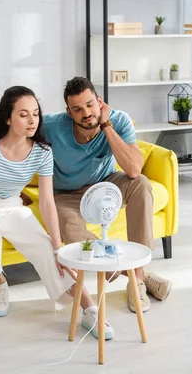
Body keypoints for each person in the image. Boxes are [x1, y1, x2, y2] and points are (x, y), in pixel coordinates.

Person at [0, 85, 114, 340]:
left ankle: (90, 309)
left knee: (50, 251)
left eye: (36, 113)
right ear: (8, 117)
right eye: (24, 114)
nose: (32, 120)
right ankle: (0, 283)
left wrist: (58, 246)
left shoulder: (42, 152)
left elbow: (48, 202)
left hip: (12, 207)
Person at [41, 76, 172, 313]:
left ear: (100, 102)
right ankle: (136, 277)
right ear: (68, 112)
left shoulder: (118, 120)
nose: (86, 113)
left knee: (140, 184)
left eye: (91, 104)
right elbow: (17, 145)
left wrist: (106, 126)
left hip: (106, 185)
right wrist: (17, 189)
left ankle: (137, 281)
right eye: (78, 109)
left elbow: (133, 169)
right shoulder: (50, 127)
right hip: (66, 194)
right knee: (69, 225)